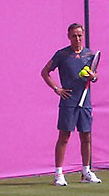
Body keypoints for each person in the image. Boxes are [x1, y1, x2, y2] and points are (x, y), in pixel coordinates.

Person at [41, 23, 102, 186]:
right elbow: (45, 72)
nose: (77, 39)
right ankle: (58, 174)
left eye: (80, 35)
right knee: (64, 136)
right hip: (68, 101)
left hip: (85, 101)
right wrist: (57, 89)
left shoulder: (89, 54)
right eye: (74, 36)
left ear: (83, 35)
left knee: (86, 136)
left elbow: (94, 76)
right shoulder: (62, 54)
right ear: (69, 36)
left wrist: (93, 77)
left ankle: (86, 172)